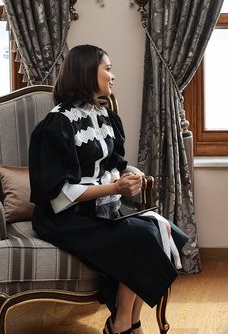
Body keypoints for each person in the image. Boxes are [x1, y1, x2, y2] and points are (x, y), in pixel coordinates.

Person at [29, 44, 187, 334]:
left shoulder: (103, 115)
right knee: (141, 237)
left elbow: (114, 163)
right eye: (108, 69)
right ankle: (121, 323)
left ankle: (130, 321)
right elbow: (60, 194)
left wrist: (132, 175)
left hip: (100, 209)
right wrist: (115, 188)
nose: (113, 76)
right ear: (87, 73)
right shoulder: (57, 124)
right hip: (65, 217)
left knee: (161, 229)